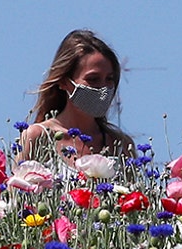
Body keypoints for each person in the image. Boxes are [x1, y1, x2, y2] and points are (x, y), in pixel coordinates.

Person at [20, 30, 135, 168]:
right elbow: (17, 187)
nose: (103, 88)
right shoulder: (38, 137)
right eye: (93, 79)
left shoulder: (121, 144)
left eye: (109, 79)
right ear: (63, 82)